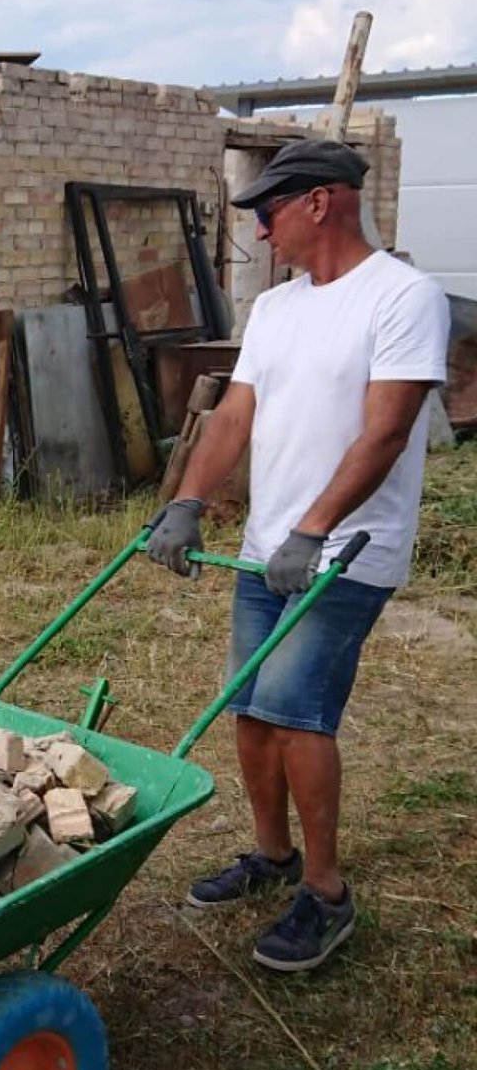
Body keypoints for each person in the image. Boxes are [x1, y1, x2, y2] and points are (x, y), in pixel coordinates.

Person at [146, 139, 450, 972]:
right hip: (266, 550)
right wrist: (187, 501)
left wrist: (314, 529)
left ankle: (325, 892)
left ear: (320, 202)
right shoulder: (276, 308)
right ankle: (272, 855)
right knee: (249, 707)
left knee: (295, 710)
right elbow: (234, 417)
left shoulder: (403, 298)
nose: (259, 231)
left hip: (347, 551)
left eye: (268, 211)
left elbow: (386, 431)